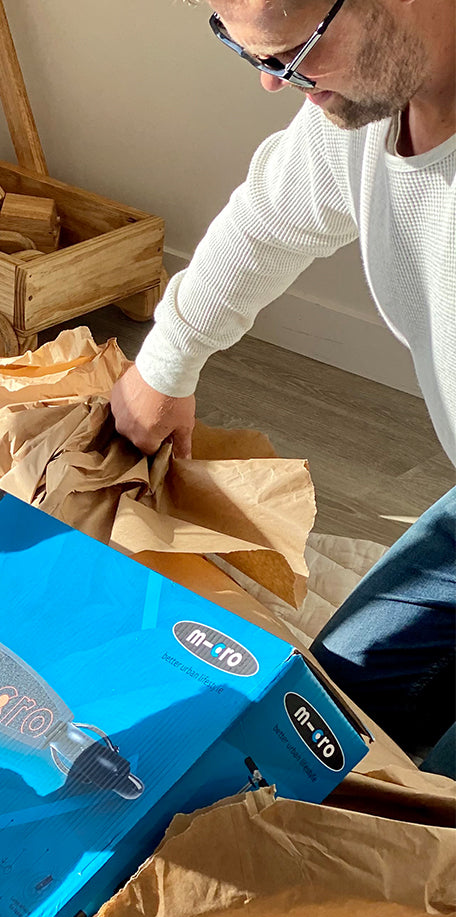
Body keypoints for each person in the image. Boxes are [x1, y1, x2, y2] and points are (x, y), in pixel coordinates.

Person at [110, 0, 454, 776]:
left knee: (433, 830)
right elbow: (271, 219)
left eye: (297, 53)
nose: (276, 84)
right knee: (315, 732)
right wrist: (166, 364)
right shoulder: (368, 108)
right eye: (253, 56)